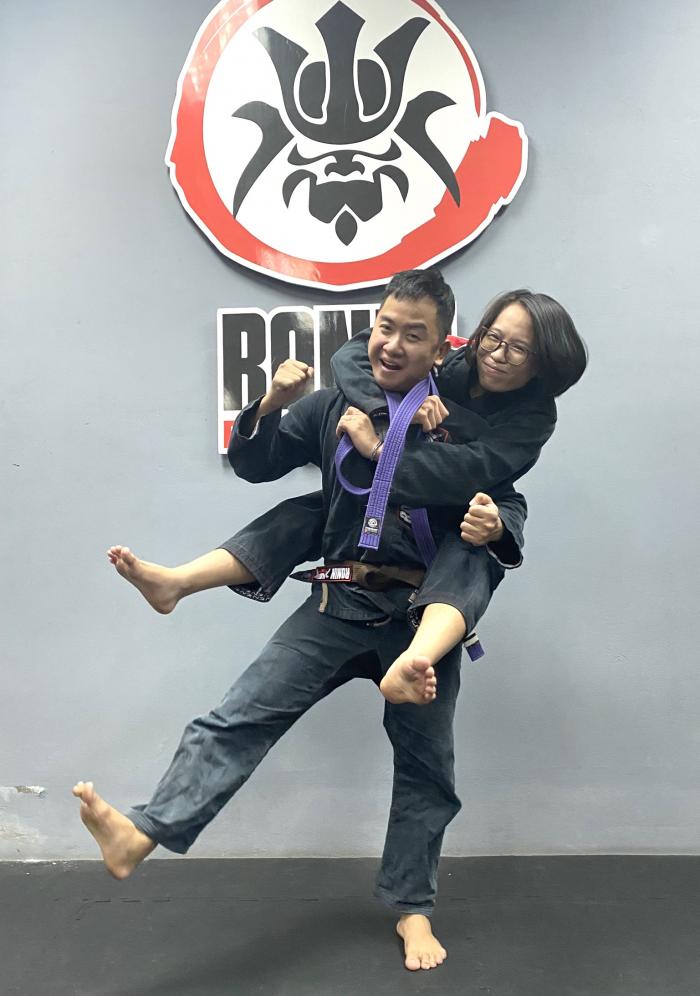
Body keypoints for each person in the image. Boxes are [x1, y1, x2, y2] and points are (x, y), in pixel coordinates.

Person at [75, 269, 586, 972]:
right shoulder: (340, 400)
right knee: (239, 715)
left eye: (414, 336)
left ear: (442, 349)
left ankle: (412, 907)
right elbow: (257, 462)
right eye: (385, 328)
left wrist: (465, 500)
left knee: (427, 772)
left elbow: (487, 492)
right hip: (337, 602)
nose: (393, 345)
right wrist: (269, 403)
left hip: (419, 619)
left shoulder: (476, 436)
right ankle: (142, 834)